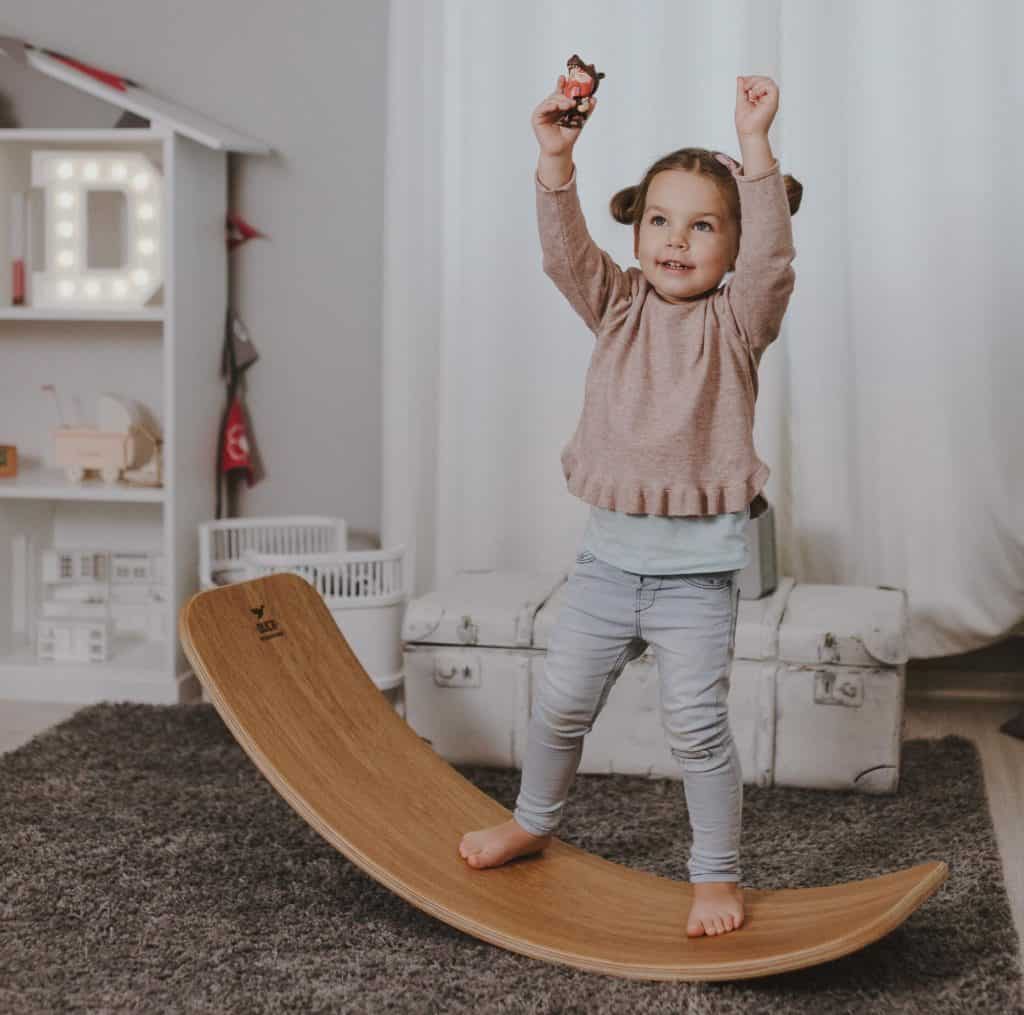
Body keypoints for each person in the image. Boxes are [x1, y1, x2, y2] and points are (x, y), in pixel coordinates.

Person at [459, 73, 801, 939]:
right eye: (659, 220)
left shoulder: (739, 321)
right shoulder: (614, 305)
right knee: (560, 705)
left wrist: (755, 147)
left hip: (696, 582)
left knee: (697, 730)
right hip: (606, 567)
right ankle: (533, 821)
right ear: (637, 228)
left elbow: (774, 261)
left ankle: (715, 876)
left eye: (703, 226)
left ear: (734, 245)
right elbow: (563, 253)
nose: (675, 240)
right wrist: (555, 158)